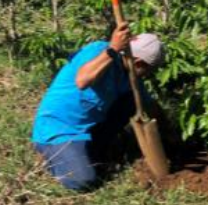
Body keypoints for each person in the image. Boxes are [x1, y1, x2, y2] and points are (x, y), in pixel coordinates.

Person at [31, 22, 166, 191]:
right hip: (60, 128)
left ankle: (95, 149)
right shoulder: (100, 51)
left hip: (91, 128)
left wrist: (171, 133)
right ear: (138, 63)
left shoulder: (132, 77)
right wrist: (113, 49)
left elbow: (150, 105)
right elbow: (83, 80)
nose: (149, 75)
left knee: (132, 99)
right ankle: (51, 155)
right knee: (82, 181)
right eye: (149, 70)